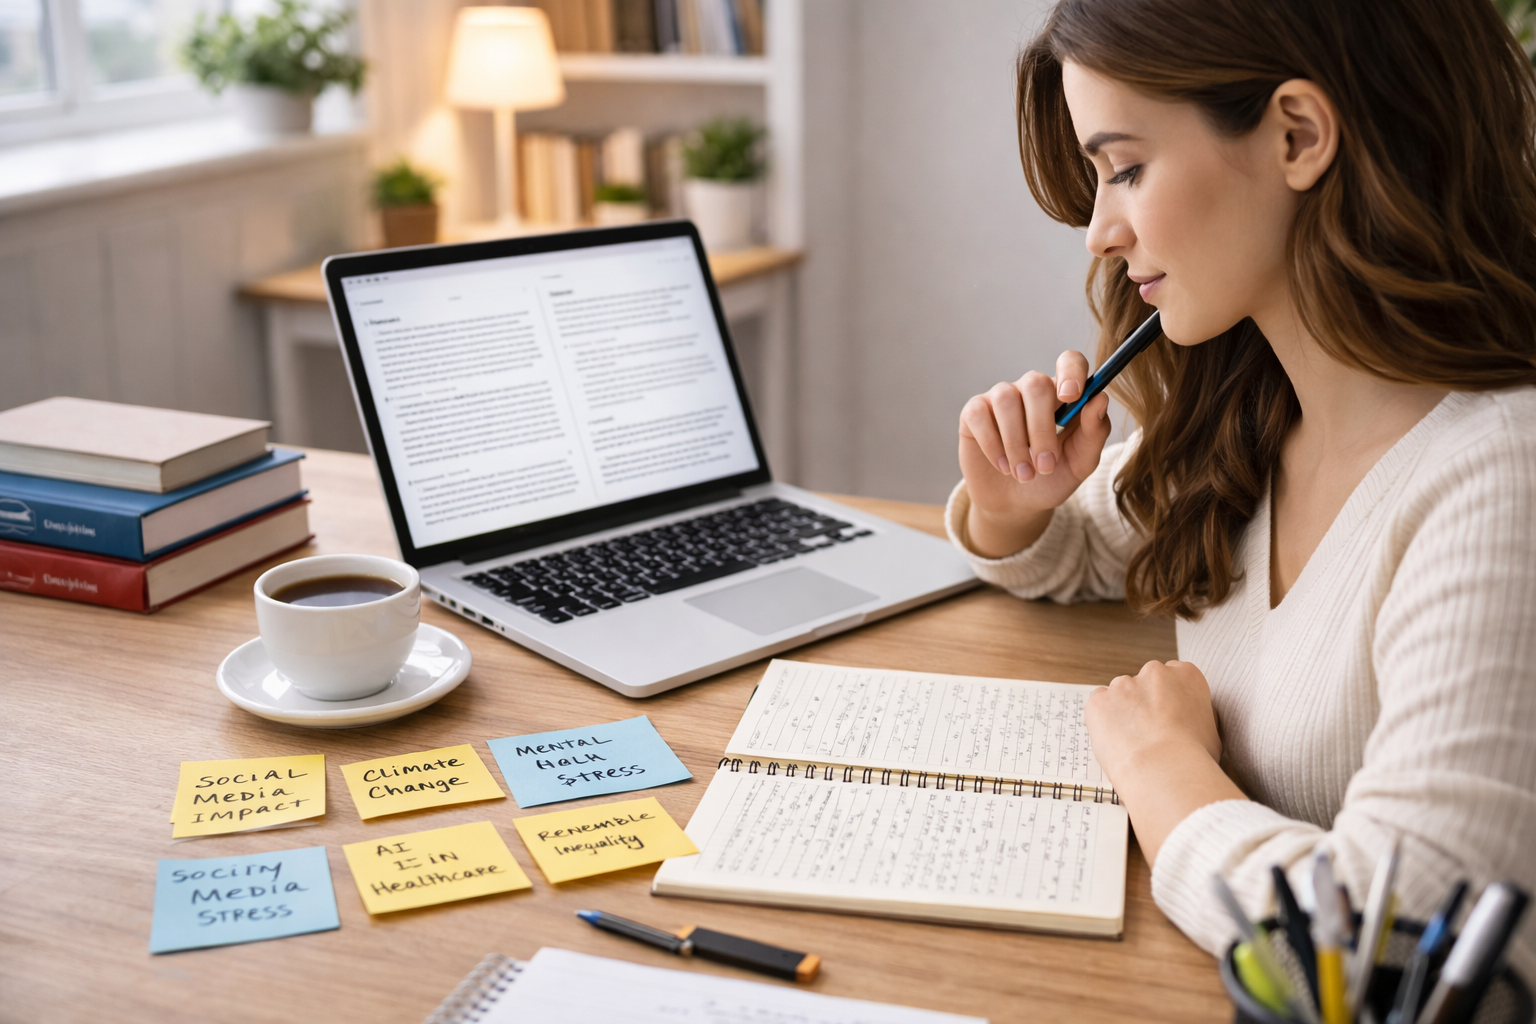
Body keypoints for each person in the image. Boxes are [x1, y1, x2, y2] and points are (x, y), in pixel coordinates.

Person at [950, 0, 1536, 975]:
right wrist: (1015, 504)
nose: (1098, 231)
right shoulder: (1255, 412)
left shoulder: (1500, 479)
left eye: (1126, 167)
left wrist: (1161, 766)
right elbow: (1088, 548)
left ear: (1299, 135)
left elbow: (1389, 951)